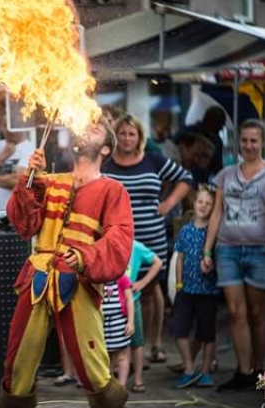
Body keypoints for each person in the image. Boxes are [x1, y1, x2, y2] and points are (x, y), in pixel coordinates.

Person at [0, 117, 134, 408]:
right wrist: (30, 179)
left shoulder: (112, 190)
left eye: (95, 128)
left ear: (106, 149)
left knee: (92, 367)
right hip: (37, 277)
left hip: (78, 280)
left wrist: (85, 256)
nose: (87, 127)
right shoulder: (51, 181)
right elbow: (23, 224)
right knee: (17, 361)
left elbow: (120, 240)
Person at [201, 119, 265, 392]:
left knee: (257, 312)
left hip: (262, 248)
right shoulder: (226, 174)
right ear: (238, 142)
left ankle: (260, 370)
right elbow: (216, 212)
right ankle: (243, 370)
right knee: (236, 313)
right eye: (245, 140)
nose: (249, 145)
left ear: (262, 142)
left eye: (254, 140)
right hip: (227, 248)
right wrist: (208, 248)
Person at [101, 114, 193, 365]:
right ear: (115, 136)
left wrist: (169, 203)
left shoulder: (153, 160)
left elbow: (185, 178)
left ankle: (155, 344)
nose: (127, 138)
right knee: (118, 290)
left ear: (140, 138)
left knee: (151, 290)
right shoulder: (105, 164)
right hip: (117, 240)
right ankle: (123, 348)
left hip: (151, 235)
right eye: (122, 133)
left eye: (132, 134)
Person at [171, 185, 219, 389]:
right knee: (179, 329)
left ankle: (205, 371)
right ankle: (189, 368)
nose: (203, 206)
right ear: (194, 203)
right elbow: (179, 258)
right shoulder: (185, 230)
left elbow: (218, 258)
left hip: (208, 290)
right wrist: (179, 283)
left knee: (206, 332)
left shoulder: (214, 232)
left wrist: (212, 264)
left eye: (208, 203)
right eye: (200, 201)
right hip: (186, 289)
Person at [124, 239, 162, 394]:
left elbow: (157, 262)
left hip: (132, 302)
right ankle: (119, 381)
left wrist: (143, 282)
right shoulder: (109, 243)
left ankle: (138, 379)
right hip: (113, 303)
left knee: (137, 342)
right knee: (117, 344)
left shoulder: (135, 246)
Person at [102, 264, 135, 388]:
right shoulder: (98, 279)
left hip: (119, 321)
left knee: (122, 356)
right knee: (106, 357)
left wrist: (130, 322)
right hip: (103, 324)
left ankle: (122, 386)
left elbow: (129, 299)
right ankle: (108, 386)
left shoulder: (122, 278)